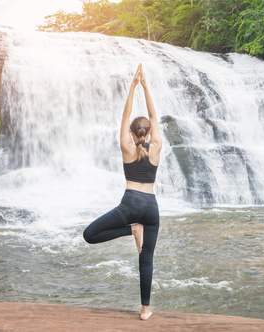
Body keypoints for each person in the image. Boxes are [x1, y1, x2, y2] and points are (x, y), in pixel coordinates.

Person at [83, 63, 162, 321]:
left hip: (129, 205)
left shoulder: (126, 147)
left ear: (131, 132)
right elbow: (153, 115)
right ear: (149, 132)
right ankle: (145, 311)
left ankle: (131, 229)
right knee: (146, 259)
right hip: (151, 206)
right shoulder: (157, 147)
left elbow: (124, 116)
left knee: (90, 235)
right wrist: (146, 87)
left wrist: (132, 87)